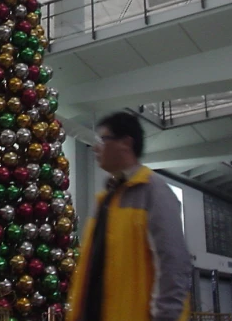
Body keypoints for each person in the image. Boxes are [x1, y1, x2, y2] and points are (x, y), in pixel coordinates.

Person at [67, 112, 192, 321]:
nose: (96, 148)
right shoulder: (107, 198)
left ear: (126, 143)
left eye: (102, 140)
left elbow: (173, 265)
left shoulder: (154, 192)